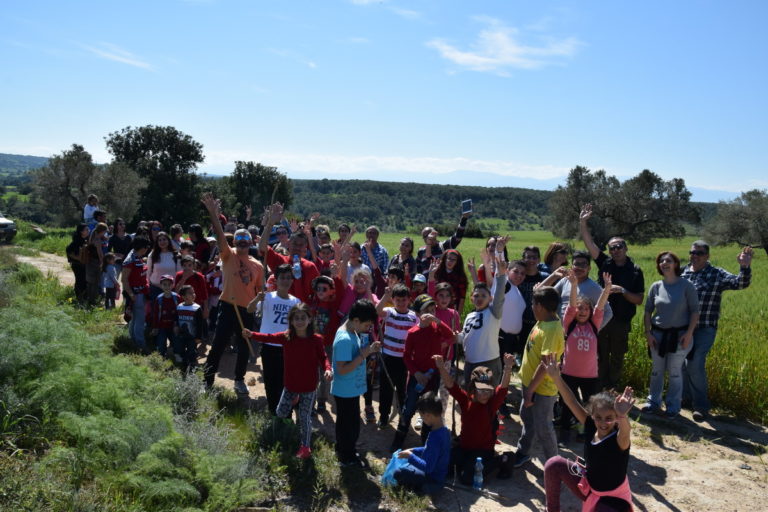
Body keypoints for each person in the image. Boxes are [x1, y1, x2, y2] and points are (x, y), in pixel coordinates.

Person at [543, 354, 634, 512]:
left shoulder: (619, 439)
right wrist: (556, 378)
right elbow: (571, 401)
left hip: (613, 500)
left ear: (616, 418)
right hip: (588, 486)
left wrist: (622, 416)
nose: (603, 422)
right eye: (598, 417)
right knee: (554, 464)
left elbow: (626, 432)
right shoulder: (591, 425)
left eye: (609, 418)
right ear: (592, 415)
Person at [242, 303, 332, 459]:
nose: (299, 321)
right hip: (290, 385)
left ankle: (305, 447)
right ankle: (283, 433)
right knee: (280, 412)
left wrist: (328, 369)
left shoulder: (316, 339)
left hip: (309, 387)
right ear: (291, 321)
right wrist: (251, 334)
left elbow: (323, 357)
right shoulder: (287, 337)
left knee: (304, 418)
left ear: (309, 320)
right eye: (296, 318)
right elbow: (268, 337)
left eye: (303, 318)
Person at [681, 241, 752, 422]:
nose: (695, 255)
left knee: (695, 362)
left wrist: (744, 267)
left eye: (700, 253)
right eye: (692, 252)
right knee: (681, 362)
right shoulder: (683, 272)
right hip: (682, 327)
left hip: (705, 328)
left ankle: (701, 406)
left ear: (707, 256)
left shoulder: (716, 273)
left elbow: (740, 283)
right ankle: (684, 398)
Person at [201, 193, 265, 394]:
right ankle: (207, 381)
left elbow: (258, 291)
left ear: (251, 242)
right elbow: (220, 237)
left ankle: (239, 379)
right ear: (235, 241)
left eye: (246, 239)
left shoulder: (257, 266)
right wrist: (213, 214)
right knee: (218, 344)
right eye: (239, 239)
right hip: (227, 306)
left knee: (244, 346)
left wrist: (256, 302)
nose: (242, 242)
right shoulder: (228, 256)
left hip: (246, 309)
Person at [579, 204, 645, 390]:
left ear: (625, 248)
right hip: (601, 318)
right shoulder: (605, 263)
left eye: (618, 246)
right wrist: (583, 222)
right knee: (598, 354)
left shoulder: (635, 271)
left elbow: (639, 299)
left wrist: (623, 291)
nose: (615, 250)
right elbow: (589, 243)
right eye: (612, 248)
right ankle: (598, 388)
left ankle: (612, 388)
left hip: (621, 321)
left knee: (617, 356)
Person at [434, 353, 516, 485]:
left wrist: (507, 367)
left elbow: (503, 389)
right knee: (445, 467)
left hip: (483, 450)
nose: (485, 395)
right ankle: (466, 464)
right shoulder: (465, 400)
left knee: (467, 478)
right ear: (472, 389)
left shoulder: (491, 404)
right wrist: (441, 367)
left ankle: (504, 459)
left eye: (488, 390)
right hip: (464, 447)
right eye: (481, 390)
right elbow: (451, 386)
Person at [390, 294, 456, 451]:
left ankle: (426, 442)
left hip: (433, 376)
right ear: (418, 314)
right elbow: (406, 356)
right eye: (427, 310)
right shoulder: (413, 333)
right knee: (409, 408)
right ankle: (399, 438)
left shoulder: (437, 329)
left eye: (433, 310)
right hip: (417, 377)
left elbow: (451, 336)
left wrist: (439, 322)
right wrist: (416, 373)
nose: (431, 313)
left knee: (430, 408)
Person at [642, 252, 700, 418]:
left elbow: (695, 312)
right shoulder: (656, 286)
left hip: (680, 336)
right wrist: (648, 334)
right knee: (656, 371)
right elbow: (647, 311)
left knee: (674, 371)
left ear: (676, 264)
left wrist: (689, 334)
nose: (664, 263)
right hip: (657, 336)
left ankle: (673, 406)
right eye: (661, 261)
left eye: (668, 260)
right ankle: (653, 402)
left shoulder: (687, 286)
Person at [513, 286, 564, 469]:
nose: (531, 306)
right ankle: (523, 451)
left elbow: (545, 365)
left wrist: (530, 391)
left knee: (543, 427)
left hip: (541, 389)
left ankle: (556, 465)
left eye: (533, 303)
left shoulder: (551, 329)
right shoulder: (543, 320)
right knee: (527, 419)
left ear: (541, 306)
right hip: (531, 385)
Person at [559, 270, 611, 444]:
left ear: (590, 312)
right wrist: (574, 285)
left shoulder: (594, 325)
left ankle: (586, 430)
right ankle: (565, 430)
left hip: (589, 375)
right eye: (579, 308)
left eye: (586, 309)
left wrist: (606, 290)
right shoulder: (570, 323)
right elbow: (571, 307)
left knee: (590, 405)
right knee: (567, 404)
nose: (582, 311)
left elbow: (600, 307)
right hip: (568, 372)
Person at [331, 299, 382, 466]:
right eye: (367, 325)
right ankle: (347, 457)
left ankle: (343, 449)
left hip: (350, 389)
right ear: (356, 321)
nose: (368, 329)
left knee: (347, 423)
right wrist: (364, 354)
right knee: (349, 426)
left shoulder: (351, 331)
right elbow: (342, 369)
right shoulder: (344, 339)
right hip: (345, 390)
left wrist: (368, 350)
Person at [247, 264, 302, 415]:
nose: (285, 281)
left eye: (288, 278)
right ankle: (273, 413)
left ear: (292, 280)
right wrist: (257, 298)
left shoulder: (295, 302)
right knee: (271, 382)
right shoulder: (267, 297)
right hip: (269, 346)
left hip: (287, 347)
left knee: (286, 383)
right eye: (282, 278)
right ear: (276, 280)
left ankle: (286, 413)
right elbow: (250, 309)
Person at [376, 284, 420, 429]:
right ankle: (383, 416)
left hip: (404, 359)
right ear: (393, 300)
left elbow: (418, 333)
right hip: (388, 356)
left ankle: (402, 415)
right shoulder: (389, 312)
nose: (401, 303)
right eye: (398, 300)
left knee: (402, 389)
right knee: (386, 389)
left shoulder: (413, 317)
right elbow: (377, 311)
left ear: (409, 300)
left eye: (404, 300)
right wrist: (385, 296)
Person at [459, 255, 507, 387]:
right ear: (471, 299)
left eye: (484, 296)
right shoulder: (469, 316)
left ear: (490, 299)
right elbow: (463, 336)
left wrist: (501, 276)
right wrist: (455, 337)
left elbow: (499, 296)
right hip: (469, 363)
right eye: (476, 296)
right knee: (471, 394)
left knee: (485, 394)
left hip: (488, 363)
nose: (479, 298)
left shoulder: (493, 313)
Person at [392, 392, 451, 496]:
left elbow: (428, 468)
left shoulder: (435, 437)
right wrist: (413, 451)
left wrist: (410, 456)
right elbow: (429, 450)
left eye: (422, 417)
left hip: (433, 479)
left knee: (398, 473)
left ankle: (423, 489)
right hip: (439, 476)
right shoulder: (444, 430)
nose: (423, 420)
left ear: (428, 415)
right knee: (408, 467)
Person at [260, 203, 320, 303]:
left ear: (305, 247)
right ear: (288, 244)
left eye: (301, 245)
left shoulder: (310, 267)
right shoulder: (280, 260)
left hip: (300, 315)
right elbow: (262, 247)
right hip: (280, 311)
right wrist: (270, 223)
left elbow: (316, 294)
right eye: (295, 243)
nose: (297, 247)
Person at [551, 251, 613, 329]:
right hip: (559, 332)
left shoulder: (594, 288)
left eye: (583, 264)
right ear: (571, 267)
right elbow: (550, 297)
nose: (579, 268)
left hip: (579, 336)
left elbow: (608, 312)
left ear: (589, 268)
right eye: (577, 264)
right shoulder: (565, 281)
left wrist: (593, 330)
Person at [121, 237, 152, 350]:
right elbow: (124, 279)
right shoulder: (130, 260)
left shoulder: (136, 256)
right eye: (147, 247)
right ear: (143, 248)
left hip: (140, 292)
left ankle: (132, 341)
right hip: (136, 294)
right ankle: (140, 344)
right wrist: (131, 294)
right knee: (139, 320)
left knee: (135, 319)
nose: (147, 249)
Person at [518, 246, 550, 347]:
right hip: (519, 324)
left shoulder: (546, 277)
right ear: (523, 259)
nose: (531, 260)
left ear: (539, 260)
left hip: (539, 324)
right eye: (528, 257)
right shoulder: (518, 277)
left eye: (534, 257)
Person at [175, 284, 205, 373]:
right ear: (183, 296)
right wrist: (176, 326)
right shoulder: (179, 306)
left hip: (193, 337)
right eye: (190, 293)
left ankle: (192, 367)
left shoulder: (197, 308)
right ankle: (184, 366)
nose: (193, 294)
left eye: (193, 292)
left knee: (192, 351)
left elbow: (200, 324)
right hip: (181, 335)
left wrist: (199, 337)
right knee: (181, 350)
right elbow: (176, 319)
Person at [151, 275, 180, 357]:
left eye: (169, 284)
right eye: (164, 284)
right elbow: (156, 314)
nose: (167, 287)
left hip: (173, 326)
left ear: (172, 285)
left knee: (176, 342)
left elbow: (179, 312)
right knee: (161, 343)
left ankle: (177, 356)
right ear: (161, 285)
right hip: (162, 326)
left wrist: (177, 325)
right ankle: (161, 358)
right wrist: (155, 327)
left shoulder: (177, 298)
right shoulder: (159, 299)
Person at [146, 231, 181, 299]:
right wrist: (148, 285)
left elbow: (179, 272)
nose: (162, 242)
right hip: (155, 288)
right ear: (157, 242)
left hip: (172, 289)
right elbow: (148, 272)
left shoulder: (176, 255)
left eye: (164, 239)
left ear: (168, 240)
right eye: (160, 240)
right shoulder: (152, 255)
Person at [433, 249, 468, 314]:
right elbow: (432, 289)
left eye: (453, 260)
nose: (450, 261)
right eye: (449, 258)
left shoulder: (461, 276)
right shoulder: (437, 272)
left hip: (453, 306)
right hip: (437, 305)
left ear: (457, 262)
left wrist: (459, 314)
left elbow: (462, 297)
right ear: (445, 259)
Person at [85, 222, 109, 305]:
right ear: (102, 231)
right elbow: (100, 253)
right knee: (95, 283)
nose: (105, 233)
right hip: (96, 263)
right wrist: (103, 263)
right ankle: (93, 301)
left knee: (90, 282)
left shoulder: (93, 236)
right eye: (105, 231)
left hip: (90, 262)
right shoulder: (97, 240)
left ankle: (89, 299)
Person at [66, 223, 90, 304]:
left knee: (85, 281)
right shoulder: (76, 241)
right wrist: (78, 258)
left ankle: (84, 298)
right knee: (80, 281)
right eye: (86, 229)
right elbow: (68, 250)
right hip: (77, 265)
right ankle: (79, 298)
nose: (88, 231)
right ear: (81, 232)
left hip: (84, 265)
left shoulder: (87, 240)